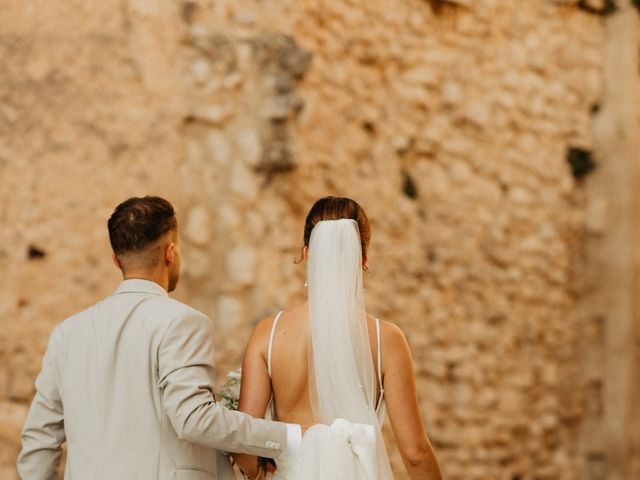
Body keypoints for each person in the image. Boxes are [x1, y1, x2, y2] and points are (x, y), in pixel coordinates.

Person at [17, 196, 301, 480]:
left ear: (116, 260)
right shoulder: (182, 322)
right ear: (170, 252)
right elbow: (194, 419)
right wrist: (290, 436)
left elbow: (39, 442)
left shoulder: (66, 333)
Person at [234, 196, 443, 479]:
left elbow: (243, 443)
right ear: (363, 259)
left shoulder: (267, 334)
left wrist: (259, 469)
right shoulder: (386, 340)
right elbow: (415, 453)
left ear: (307, 254)